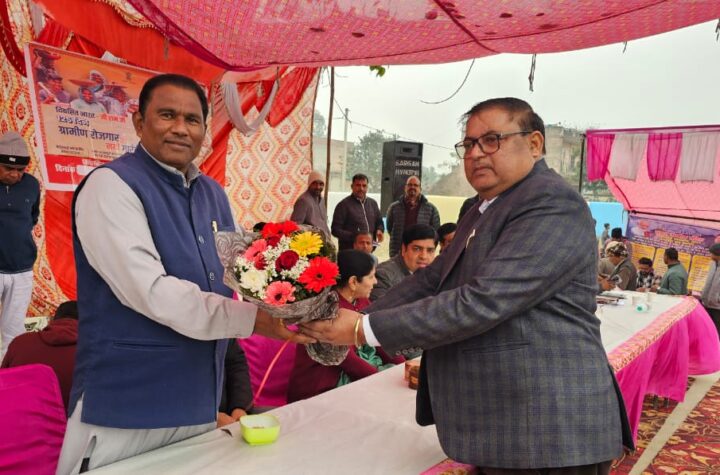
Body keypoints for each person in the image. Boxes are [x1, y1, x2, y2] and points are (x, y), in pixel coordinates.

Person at [302, 97, 632, 472]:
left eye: (491, 140)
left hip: (547, 427)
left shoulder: (551, 203)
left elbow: (483, 300)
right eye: (469, 144)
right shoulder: (485, 206)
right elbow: (434, 278)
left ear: (534, 144)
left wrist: (363, 330)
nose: (475, 153)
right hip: (511, 421)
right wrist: (347, 318)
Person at [56, 74, 311, 474]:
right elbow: (153, 292)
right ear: (139, 122)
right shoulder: (110, 186)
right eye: (167, 115)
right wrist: (256, 320)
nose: (180, 128)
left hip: (199, 404)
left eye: (192, 120)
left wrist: (299, 299)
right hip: (126, 409)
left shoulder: (212, 193)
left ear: (204, 131)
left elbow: (244, 273)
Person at [287, 250, 403, 402]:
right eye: (371, 277)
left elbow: (378, 336)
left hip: (356, 377)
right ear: (353, 282)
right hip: (320, 390)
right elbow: (350, 362)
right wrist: (382, 383)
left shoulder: (361, 300)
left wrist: (403, 367)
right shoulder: (326, 311)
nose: (375, 282)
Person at [0, 131, 40, 358]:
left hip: (22, 270)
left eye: (20, 169)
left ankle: (7, 374)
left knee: (13, 332)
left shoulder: (32, 185)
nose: (15, 174)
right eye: (8, 168)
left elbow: (32, 218)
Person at [1, 301, 78, 410]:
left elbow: (3, 384)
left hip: (21, 417)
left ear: (51, 320)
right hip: (72, 419)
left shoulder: (20, 343)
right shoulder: (94, 353)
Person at [370, 224, 437, 302]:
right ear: (404, 249)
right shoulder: (384, 275)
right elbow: (381, 308)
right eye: (417, 249)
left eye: (430, 250)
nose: (424, 256)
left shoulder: (436, 275)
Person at [385, 175, 440, 257]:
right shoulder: (394, 208)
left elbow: (435, 232)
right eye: (410, 185)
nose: (412, 187)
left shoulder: (431, 209)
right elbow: (390, 229)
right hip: (398, 252)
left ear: (420, 189)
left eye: (415, 185)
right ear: (405, 188)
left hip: (421, 253)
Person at [331, 173, 384, 250]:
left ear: (367, 187)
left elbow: (379, 222)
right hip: (349, 251)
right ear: (352, 186)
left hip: (369, 250)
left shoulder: (373, 203)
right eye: (358, 185)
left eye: (364, 186)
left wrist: (379, 230)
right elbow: (335, 230)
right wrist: (356, 237)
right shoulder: (343, 205)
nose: (361, 188)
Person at [217, 339, 253, 427]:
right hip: (191, 425)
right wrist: (208, 419)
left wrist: (239, 406)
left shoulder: (223, 333)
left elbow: (236, 364)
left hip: (229, 414)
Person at [289, 169, 330, 237]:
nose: (318, 187)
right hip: (311, 242)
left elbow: (323, 223)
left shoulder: (321, 199)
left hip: (325, 240)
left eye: (321, 184)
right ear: (309, 184)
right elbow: (295, 227)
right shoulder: (303, 201)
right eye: (314, 183)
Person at [701, 243, 720, 335]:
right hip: (706, 303)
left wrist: (718, 298)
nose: (710, 255)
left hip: (717, 307)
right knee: (705, 328)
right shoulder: (713, 264)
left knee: (716, 330)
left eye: (712, 253)